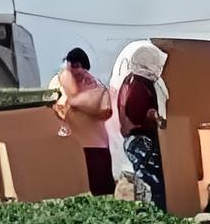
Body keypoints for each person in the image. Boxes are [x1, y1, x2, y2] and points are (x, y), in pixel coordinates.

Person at [110, 41, 169, 211]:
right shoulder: (140, 84)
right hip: (141, 139)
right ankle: (158, 212)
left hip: (133, 139)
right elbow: (136, 110)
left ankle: (152, 211)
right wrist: (154, 116)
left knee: (147, 179)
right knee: (155, 180)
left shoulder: (130, 81)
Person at [50, 47, 116, 194]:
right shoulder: (59, 82)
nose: (76, 71)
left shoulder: (94, 85)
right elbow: (56, 107)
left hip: (96, 144)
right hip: (73, 143)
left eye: (79, 66)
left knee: (100, 187)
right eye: (72, 66)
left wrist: (80, 101)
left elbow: (104, 109)